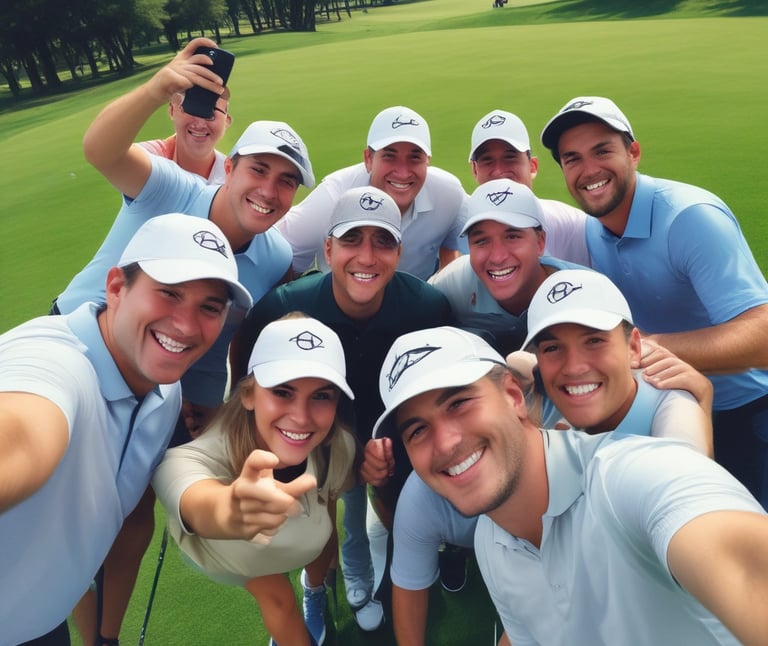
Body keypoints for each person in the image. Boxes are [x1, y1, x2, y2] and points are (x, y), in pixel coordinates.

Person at [55, 37, 314, 646]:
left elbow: (222, 329)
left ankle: (104, 637)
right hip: (82, 355)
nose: (269, 191)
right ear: (231, 166)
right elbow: (100, 149)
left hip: (159, 385)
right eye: (258, 171)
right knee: (76, 507)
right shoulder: (171, 188)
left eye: (286, 182)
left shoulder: (274, 252)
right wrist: (158, 87)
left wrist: (199, 404)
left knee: (131, 512)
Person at [370, 269, 712, 646]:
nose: (574, 366)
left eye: (594, 341)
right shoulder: (493, 538)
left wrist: (700, 401)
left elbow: (692, 508)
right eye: (552, 348)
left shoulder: (656, 433)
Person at [0, 213, 251, 645]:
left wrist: (106, 637)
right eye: (169, 294)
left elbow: (128, 522)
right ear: (116, 287)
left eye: (209, 307)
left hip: (40, 624)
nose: (187, 325)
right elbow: (23, 434)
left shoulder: (163, 391)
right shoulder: (57, 363)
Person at [229, 185, 454, 632]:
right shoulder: (286, 307)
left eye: (383, 242)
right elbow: (247, 377)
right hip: (314, 428)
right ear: (328, 248)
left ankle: (402, 575)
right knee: (321, 507)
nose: (367, 257)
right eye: (352, 240)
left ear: (399, 250)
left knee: (397, 501)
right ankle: (320, 585)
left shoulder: (427, 308)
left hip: (392, 430)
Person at [540, 95, 768, 506]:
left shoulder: (690, 218)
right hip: (659, 399)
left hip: (745, 410)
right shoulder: (596, 227)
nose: (589, 170)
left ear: (634, 152)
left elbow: (763, 337)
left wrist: (645, 349)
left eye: (602, 151)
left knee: (741, 543)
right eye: (572, 158)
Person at [152, 314, 358, 646]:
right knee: (277, 596)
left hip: (307, 541)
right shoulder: (198, 453)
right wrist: (229, 510)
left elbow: (331, 504)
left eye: (321, 395)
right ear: (248, 395)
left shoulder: (337, 447)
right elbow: (183, 482)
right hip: (237, 558)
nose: (301, 417)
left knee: (321, 534)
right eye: (282, 392)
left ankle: (314, 590)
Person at [276, 105, 466, 280]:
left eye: (415, 157)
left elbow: (456, 247)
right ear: (368, 159)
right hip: (342, 307)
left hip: (415, 307)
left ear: (428, 161)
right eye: (389, 156)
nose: (403, 172)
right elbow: (281, 257)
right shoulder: (333, 196)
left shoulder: (448, 193)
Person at [429, 177, 586, 355]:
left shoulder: (586, 294)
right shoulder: (454, 283)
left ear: (540, 242)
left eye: (512, 237)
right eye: (481, 241)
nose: (497, 257)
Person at [467, 109, 589, 266]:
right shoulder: (462, 224)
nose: (498, 171)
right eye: (487, 160)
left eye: (510, 158)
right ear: (475, 170)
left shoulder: (572, 225)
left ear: (533, 167)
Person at [137, 87, 232, 184]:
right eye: (191, 110)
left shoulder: (232, 176)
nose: (200, 125)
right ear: (172, 110)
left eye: (211, 114)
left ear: (226, 121)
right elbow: (121, 157)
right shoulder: (150, 157)